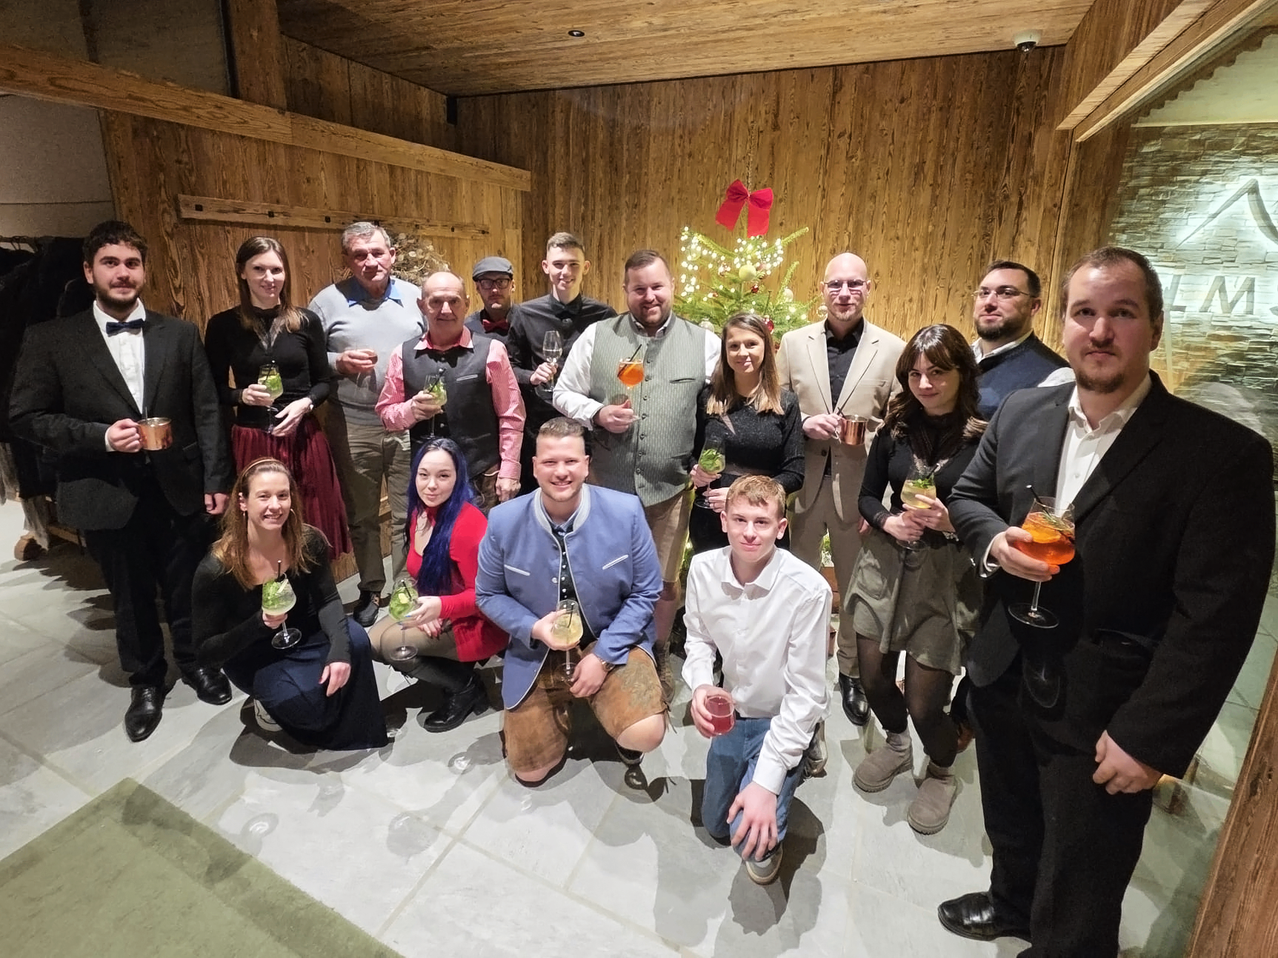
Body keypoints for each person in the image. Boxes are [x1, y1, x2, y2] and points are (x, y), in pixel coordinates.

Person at [938, 247, 1274, 956]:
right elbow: (966, 497)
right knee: (1011, 817)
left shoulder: (1220, 455)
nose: (1100, 330)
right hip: (1003, 670)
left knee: (1084, 867)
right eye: (1085, 312)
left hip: (1107, 707)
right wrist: (995, 543)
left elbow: (1215, 620)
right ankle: (1011, 905)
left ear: (1154, 325)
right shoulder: (1024, 413)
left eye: (1121, 313)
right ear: (1062, 324)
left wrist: (1152, 738)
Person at [9, 220, 234, 742]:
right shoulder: (51, 339)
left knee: (187, 584)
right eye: (110, 263)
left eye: (132, 263)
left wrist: (218, 477)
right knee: (128, 594)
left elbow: (206, 411)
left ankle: (195, 661)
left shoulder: (179, 333)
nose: (123, 273)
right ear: (89, 271)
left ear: (144, 271)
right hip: (103, 489)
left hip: (180, 484)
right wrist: (100, 437)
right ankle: (147, 680)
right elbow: (25, 416)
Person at [553, 249, 717, 697]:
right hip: (607, 490)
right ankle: (603, 651)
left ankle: (658, 652)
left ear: (671, 286)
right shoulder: (596, 336)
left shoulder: (704, 342)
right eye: (639, 288)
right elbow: (563, 393)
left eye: (657, 286)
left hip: (668, 491)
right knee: (605, 577)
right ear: (625, 291)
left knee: (664, 581)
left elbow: (722, 407)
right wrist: (598, 412)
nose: (649, 296)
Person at [845, 324, 984, 835]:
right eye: (915, 374)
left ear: (961, 373)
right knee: (874, 676)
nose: (924, 383)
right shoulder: (895, 430)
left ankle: (942, 771)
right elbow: (866, 496)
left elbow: (995, 513)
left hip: (945, 576)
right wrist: (888, 520)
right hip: (885, 565)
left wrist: (953, 522)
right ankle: (898, 743)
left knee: (928, 701)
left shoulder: (985, 437)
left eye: (937, 373)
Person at [475, 417, 666, 787]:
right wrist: (533, 628)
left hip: (610, 638)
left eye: (571, 462)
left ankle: (617, 715)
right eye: (549, 462)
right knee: (528, 772)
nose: (560, 472)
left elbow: (646, 591)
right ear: (533, 466)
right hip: (537, 651)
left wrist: (602, 656)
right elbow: (488, 594)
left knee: (644, 732)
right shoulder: (501, 521)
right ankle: (556, 711)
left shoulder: (626, 512)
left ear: (586, 464)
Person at [776, 252, 904, 728]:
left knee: (854, 588)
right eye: (835, 285)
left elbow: (898, 428)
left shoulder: (892, 348)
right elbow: (778, 404)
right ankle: (801, 667)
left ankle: (851, 670)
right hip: (803, 485)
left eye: (854, 284)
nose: (844, 293)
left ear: (868, 288)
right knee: (799, 583)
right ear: (822, 289)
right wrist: (805, 422)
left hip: (860, 489)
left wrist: (886, 498)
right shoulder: (792, 343)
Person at [684, 476, 830, 886]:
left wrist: (766, 784)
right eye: (740, 520)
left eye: (762, 522)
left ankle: (802, 748)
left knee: (749, 840)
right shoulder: (702, 568)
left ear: (780, 529)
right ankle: (778, 764)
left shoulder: (809, 590)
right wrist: (699, 685)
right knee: (715, 824)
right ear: (724, 521)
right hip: (735, 710)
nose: (750, 532)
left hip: (782, 715)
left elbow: (804, 692)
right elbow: (697, 638)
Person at [192, 458, 388, 750]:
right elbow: (206, 653)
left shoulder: (308, 542)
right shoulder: (215, 570)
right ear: (242, 502)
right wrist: (259, 624)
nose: (275, 505)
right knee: (305, 708)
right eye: (264, 496)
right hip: (253, 653)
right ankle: (272, 704)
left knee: (355, 640)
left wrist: (339, 653)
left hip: (304, 631)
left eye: (282, 495)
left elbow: (328, 600)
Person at [203, 236, 351, 556]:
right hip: (254, 439)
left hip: (303, 436)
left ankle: (314, 599)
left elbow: (323, 381)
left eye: (276, 270)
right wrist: (242, 395)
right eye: (259, 269)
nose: (269, 279)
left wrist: (305, 403)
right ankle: (271, 601)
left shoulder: (306, 321)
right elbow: (212, 389)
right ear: (242, 272)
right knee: (263, 528)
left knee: (311, 521)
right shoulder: (222, 325)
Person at [308, 222, 424, 627]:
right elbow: (304, 358)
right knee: (360, 515)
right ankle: (372, 588)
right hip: (352, 424)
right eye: (360, 255)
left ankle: (406, 586)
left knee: (407, 512)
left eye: (377, 252)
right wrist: (336, 362)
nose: (370, 262)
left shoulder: (416, 298)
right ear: (347, 261)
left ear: (391, 254)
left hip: (407, 424)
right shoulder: (325, 303)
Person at [367, 438, 507, 732]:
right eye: (424, 474)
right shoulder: (419, 512)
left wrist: (442, 608)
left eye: (443, 476)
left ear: (458, 479)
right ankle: (451, 668)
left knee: (394, 646)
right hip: (439, 606)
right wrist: (426, 601)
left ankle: (465, 687)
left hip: (477, 621)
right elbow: (415, 571)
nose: (431, 485)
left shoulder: (468, 525)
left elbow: (486, 597)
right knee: (373, 642)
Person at [375, 271, 523, 510]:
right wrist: (410, 410)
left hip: (480, 477)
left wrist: (509, 470)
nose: (445, 310)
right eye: (436, 302)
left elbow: (511, 415)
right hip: (428, 482)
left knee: (482, 545)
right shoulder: (401, 355)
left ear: (466, 303)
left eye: (453, 301)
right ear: (422, 306)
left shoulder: (492, 351)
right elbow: (386, 415)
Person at [505, 232, 617, 494]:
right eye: (558, 264)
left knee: (586, 496)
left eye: (573, 264)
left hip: (587, 427)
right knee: (539, 497)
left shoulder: (604, 315)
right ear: (546, 267)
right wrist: (531, 375)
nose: (565, 271)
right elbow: (509, 365)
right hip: (539, 425)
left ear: (585, 267)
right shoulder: (524, 313)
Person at [689, 312, 803, 553]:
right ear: (725, 351)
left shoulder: (786, 403)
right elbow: (690, 453)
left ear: (766, 348)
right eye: (734, 346)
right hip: (712, 519)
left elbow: (794, 474)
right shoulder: (707, 398)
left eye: (751, 344)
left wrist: (740, 494)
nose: (742, 352)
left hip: (762, 522)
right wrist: (695, 471)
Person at [970, 260, 1072, 419]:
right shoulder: (953, 358)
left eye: (1006, 293)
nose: (989, 302)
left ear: (1033, 306)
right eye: (984, 293)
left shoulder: (1056, 377)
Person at [464, 255, 515, 345]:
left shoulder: (529, 323)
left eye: (501, 282)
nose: (495, 290)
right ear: (478, 288)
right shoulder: (467, 328)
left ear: (513, 285)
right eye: (487, 283)